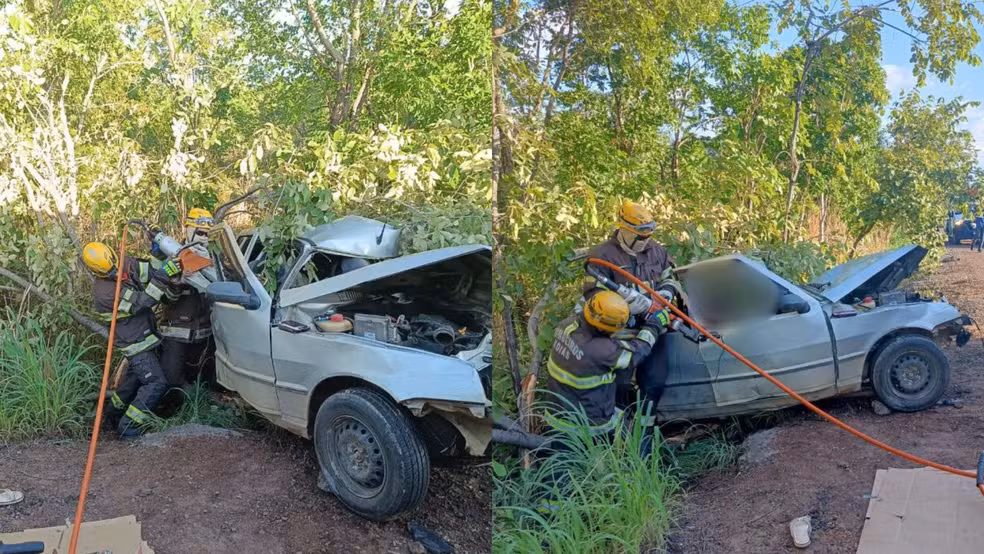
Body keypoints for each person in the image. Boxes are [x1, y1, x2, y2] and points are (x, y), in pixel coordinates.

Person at [538, 291, 669, 513]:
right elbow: (635, 355)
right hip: (591, 419)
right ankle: (633, 490)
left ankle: (548, 516)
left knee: (558, 469)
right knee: (631, 441)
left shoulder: (567, 325)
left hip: (557, 411)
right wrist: (654, 326)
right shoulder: (600, 350)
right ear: (603, 328)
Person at [576, 201, 677, 432]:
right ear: (624, 229)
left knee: (654, 383)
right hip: (618, 333)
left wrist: (664, 295)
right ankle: (618, 436)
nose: (646, 242)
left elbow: (670, 277)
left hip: (654, 330)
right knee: (619, 386)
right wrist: (632, 305)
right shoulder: (602, 256)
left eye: (649, 236)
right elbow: (594, 295)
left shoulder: (657, 251)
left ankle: (644, 436)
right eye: (641, 238)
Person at [83, 241, 177, 439]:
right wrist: (164, 275)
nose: (115, 273)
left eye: (115, 267)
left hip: (143, 335)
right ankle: (129, 426)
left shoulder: (123, 262)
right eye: (109, 273)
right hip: (134, 343)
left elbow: (147, 271)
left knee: (133, 381)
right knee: (155, 383)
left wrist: (157, 257)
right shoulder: (105, 293)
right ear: (97, 272)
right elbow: (144, 301)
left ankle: (111, 415)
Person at [151, 208, 215, 388]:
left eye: (207, 234)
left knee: (204, 380)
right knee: (171, 380)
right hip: (177, 332)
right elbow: (165, 299)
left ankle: (199, 404)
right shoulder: (172, 257)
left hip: (204, 333)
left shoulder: (213, 258)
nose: (204, 237)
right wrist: (177, 283)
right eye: (200, 232)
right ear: (188, 229)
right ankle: (177, 406)